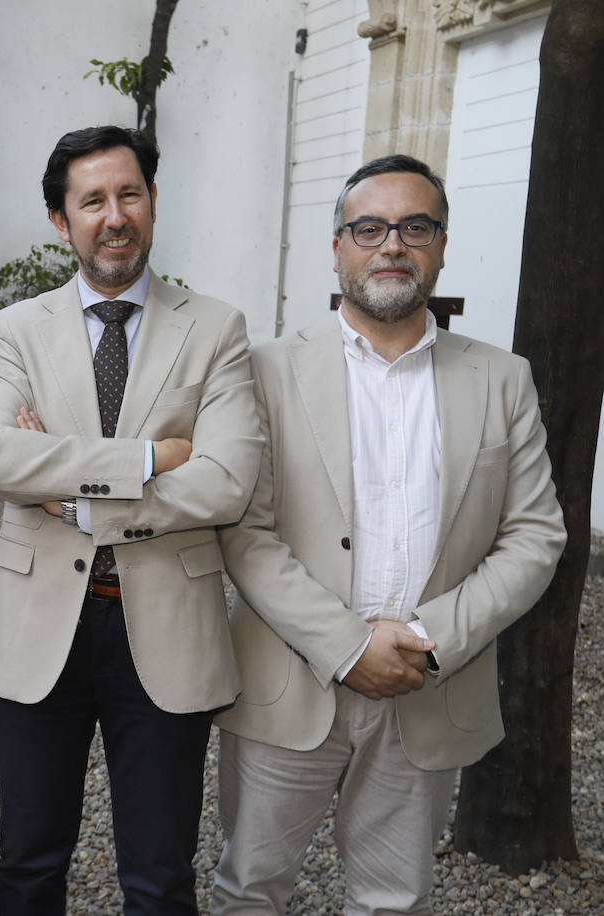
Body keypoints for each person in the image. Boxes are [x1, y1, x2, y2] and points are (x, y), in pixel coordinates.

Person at [211, 154, 567, 915]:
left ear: (440, 244)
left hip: (428, 683)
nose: (392, 245)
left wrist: (429, 639)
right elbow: (245, 530)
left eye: (415, 226)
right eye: (369, 228)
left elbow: (535, 536)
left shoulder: (504, 379)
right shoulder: (266, 372)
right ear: (337, 246)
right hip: (290, 682)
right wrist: (346, 645)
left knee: (393, 900)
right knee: (249, 890)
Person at [0, 124, 263, 914]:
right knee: (28, 863)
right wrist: (148, 459)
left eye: (129, 194)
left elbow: (227, 482)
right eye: (91, 200)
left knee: (161, 874)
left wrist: (68, 491)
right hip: (39, 628)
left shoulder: (218, 329)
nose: (114, 215)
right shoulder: (17, 327)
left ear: (154, 204)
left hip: (166, 621)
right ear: (62, 222)